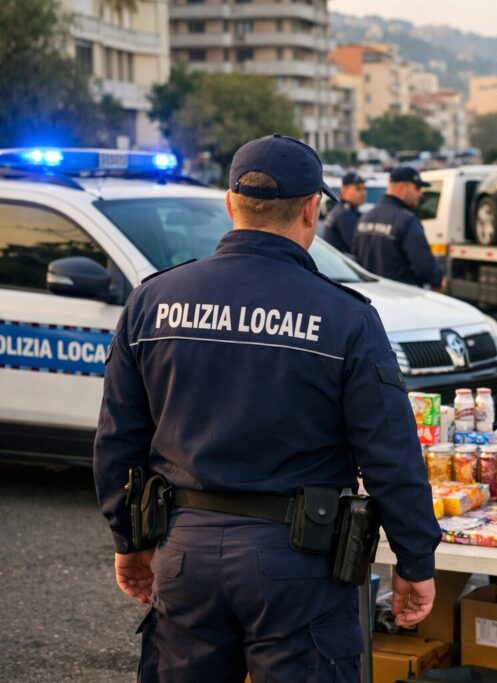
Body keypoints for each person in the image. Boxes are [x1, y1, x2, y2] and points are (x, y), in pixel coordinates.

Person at [93, 134, 441, 682]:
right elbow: (390, 454)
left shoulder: (153, 300)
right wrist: (416, 560)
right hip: (297, 563)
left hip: (183, 553)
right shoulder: (346, 317)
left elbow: (117, 437)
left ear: (231, 204)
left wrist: (126, 539)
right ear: (311, 209)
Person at [352, 166, 446, 291]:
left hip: (370, 298)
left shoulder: (365, 218)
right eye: (417, 188)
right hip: (402, 298)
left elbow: (355, 259)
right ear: (402, 187)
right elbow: (424, 266)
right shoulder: (406, 221)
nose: (420, 194)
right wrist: (438, 279)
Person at [321, 171, 367, 254]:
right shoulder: (345, 214)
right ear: (344, 191)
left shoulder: (341, 210)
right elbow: (358, 247)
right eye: (358, 189)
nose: (363, 193)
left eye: (364, 189)